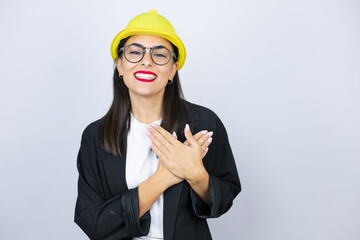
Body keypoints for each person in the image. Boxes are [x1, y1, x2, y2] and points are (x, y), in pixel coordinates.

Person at [74, 9, 241, 240]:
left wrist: (196, 174)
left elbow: (224, 200)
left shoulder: (203, 124)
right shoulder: (96, 136)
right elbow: (93, 223)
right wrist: (165, 176)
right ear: (120, 66)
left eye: (160, 55)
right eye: (135, 52)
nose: (146, 61)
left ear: (173, 69)